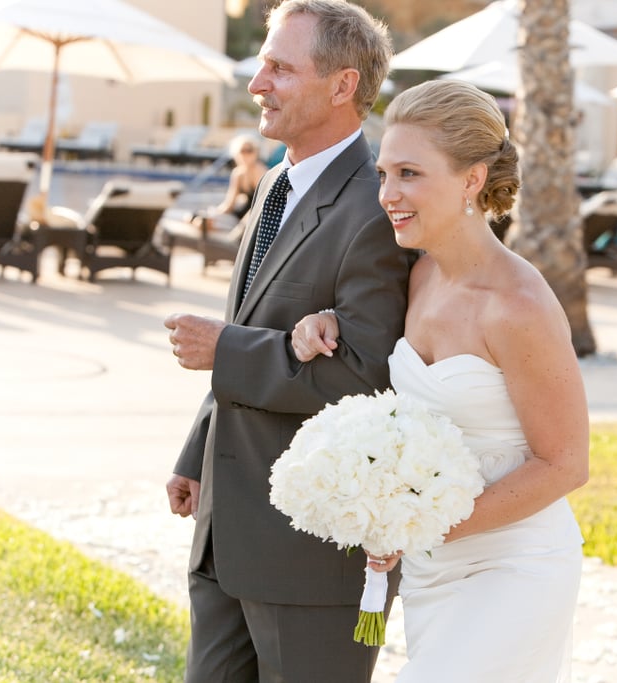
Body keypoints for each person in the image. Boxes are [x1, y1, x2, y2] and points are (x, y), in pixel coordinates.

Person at [291, 79, 590, 682]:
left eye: (409, 174)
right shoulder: (418, 276)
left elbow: (566, 465)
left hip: (515, 565)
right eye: (383, 174)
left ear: (472, 181)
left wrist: (416, 524)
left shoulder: (518, 306)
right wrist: (324, 323)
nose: (387, 195)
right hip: (431, 571)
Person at [162, 1, 411, 681]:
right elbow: (254, 325)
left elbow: (365, 377)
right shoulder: (274, 182)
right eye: (261, 64)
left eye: (279, 66)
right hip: (224, 535)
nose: (257, 83)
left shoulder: (379, 209)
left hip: (311, 560)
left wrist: (225, 350)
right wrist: (196, 453)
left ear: (342, 86)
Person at [194, 135, 270, 233]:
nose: (246, 154)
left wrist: (242, 227)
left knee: (211, 224)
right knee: (200, 219)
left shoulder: (259, 171)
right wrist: (213, 214)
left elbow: (262, 205)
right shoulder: (238, 173)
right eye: (242, 151)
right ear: (236, 154)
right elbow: (230, 204)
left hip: (255, 218)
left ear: (256, 152)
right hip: (240, 215)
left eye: (249, 150)